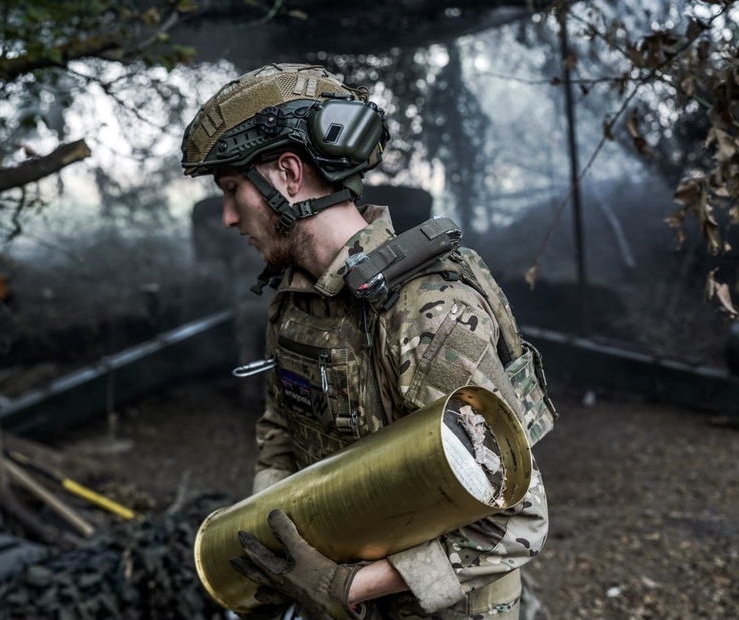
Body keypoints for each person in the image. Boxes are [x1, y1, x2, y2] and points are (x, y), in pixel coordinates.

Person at [180, 63, 555, 620]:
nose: (230, 216)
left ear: (288, 175)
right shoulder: (297, 298)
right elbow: (282, 429)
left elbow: (516, 521)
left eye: (234, 190)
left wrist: (342, 587)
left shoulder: (425, 309)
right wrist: (276, 545)